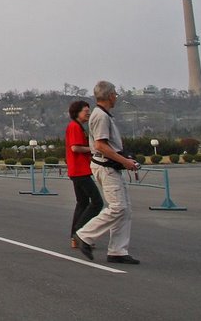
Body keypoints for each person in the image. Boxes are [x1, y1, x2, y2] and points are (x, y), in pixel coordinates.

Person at [73, 81, 141, 264]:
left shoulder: (102, 115)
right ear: (110, 95)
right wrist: (125, 161)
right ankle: (84, 235)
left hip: (109, 166)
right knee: (118, 207)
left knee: (125, 209)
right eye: (115, 94)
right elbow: (101, 145)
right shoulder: (101, 116)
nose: (116, 97)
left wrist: (124, 157)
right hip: (106, 167)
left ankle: (118, 251)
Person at [66, 100, 103, 248]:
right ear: (77, 113)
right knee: (97, 202)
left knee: (82, 203)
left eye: (89, 111)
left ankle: (75, 236)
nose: (88, 114)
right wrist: (93, 148)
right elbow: (75, 148)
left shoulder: (79, 127)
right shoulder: (74, 127)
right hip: (80, 170)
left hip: (78, 170)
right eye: (85, 111)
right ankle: (80, 233)